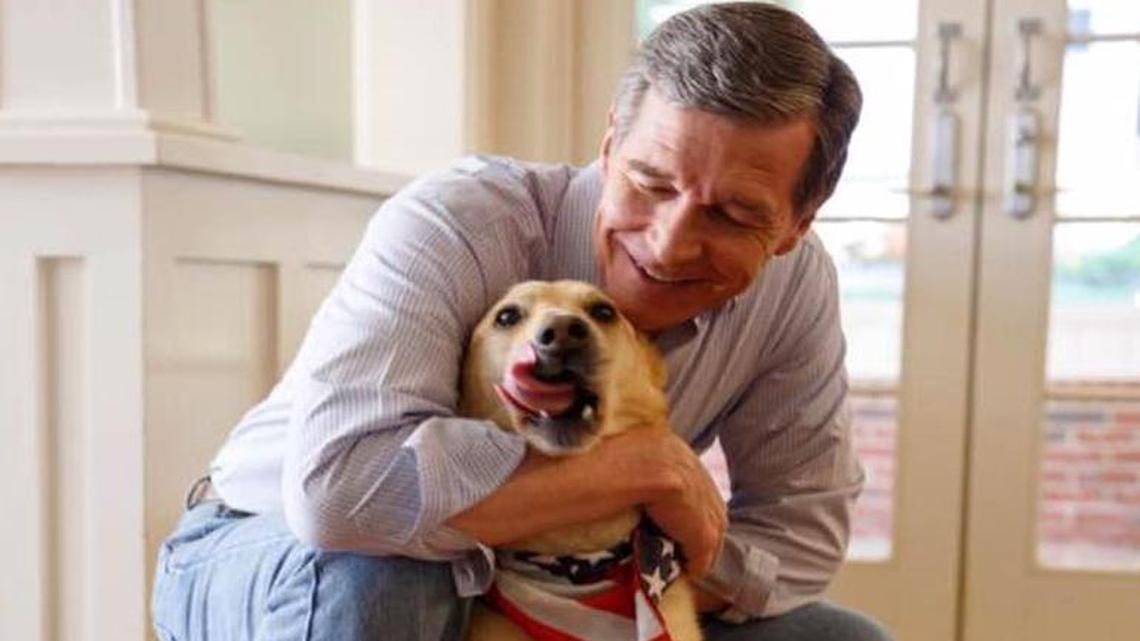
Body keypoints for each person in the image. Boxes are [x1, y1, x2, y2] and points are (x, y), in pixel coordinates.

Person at [150, 3, 892, 640]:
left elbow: (801, 537)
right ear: (608, 146)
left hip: (563, 569)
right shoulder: (460, 220)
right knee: (393, 586)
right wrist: (642, 469)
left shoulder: (794, 283)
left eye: (732, 215)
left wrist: (607, 582)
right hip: (265, 540)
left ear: (797, 223)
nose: (667, 243)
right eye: (649, 181)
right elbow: (340, 498)